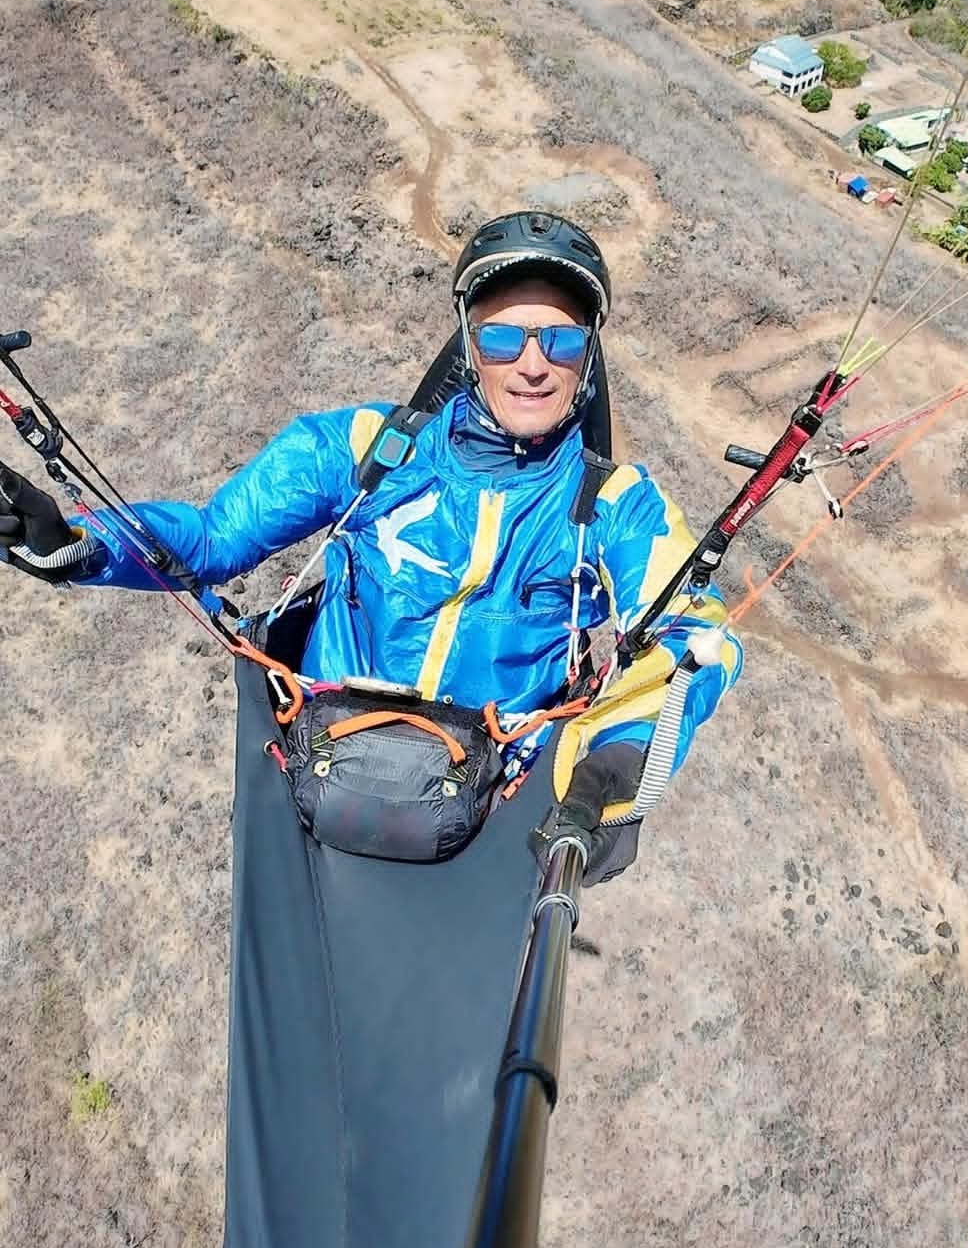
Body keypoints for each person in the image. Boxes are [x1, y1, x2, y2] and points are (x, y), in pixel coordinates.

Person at [0, 213, 742, 878]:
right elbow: (214, 537)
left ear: (588, 355)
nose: (533, 362)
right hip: (325, 783)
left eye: (562, 339)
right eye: (503, 336)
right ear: (467, 340)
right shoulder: (366, 449)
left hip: (494, 819)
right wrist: (79, 543)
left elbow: (702, 635)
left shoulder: (611, 504)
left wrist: (614, 764)